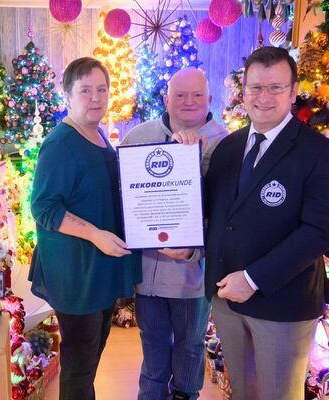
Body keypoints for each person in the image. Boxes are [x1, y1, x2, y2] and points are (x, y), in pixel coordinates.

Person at [202, 47, 329, 400]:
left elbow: (320, 230)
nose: (263, 98)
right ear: (243, 91)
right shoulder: (228, 147)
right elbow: (215, 214)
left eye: (275, 88)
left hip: (282, 303)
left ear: (293, 91)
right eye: (255, 88)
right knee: (244, 392)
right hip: (226, 297)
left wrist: (252, 279)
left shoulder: (317, 151)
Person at [29, 57, 142, 400]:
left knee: (90, 359)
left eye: (102, 89)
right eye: (85, 91)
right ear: (67, 96)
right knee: (79, 365)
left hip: (99, 269)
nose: (96, 98)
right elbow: (44, 207)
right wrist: (95, 235)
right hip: (76, 273)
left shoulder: (98, 135)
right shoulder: (61, 144)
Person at [118, 68, 227, 400]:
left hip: (192, 277)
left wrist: (194, 250)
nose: (188, 102)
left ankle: (184, 395)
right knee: (152, 349)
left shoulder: (225, 145)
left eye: (197, 95)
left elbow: (227, 216)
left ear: (210, 99)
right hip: (147, 276)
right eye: (180, 95)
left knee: (190, 347)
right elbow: (122, 197)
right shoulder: (138, 136)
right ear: (166, 98)